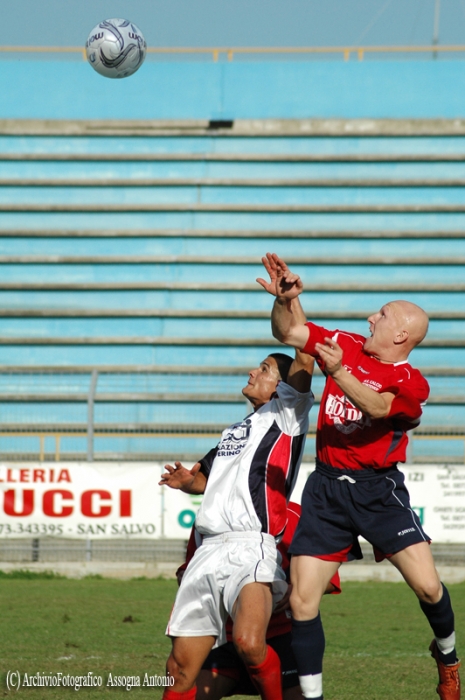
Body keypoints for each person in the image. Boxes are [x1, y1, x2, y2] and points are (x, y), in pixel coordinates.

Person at [257, 252, 461, 700]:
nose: (371, 317)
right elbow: (289, 331)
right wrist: (286, 300)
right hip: (327, 488)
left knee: (428, 588)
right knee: (301, 602)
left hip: (378, 492)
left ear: (401, 333)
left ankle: (447, 659)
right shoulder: (345, 344)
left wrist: (339, 373)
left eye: (382, 314)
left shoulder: (412, 382)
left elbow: (378, 407)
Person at [159, 342, 315, 700]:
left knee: (248, 641)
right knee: (179, 668)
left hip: (251, 545)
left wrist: (291, 307)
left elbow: (303, 361)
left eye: (263, 369)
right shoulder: (234, 431)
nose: (252, 372)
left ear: (282, 386)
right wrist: (188, 481)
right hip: (209, 549)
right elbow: (204, 478)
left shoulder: (287, 416)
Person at [175, 502, 341, 700]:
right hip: (224, 637)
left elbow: (330, 580)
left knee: (298, 695)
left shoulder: (295, 515)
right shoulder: (209, 515)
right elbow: (190, 567)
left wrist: (296, 590)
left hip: (282, 635)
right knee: (188, 691)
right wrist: (190, 578)